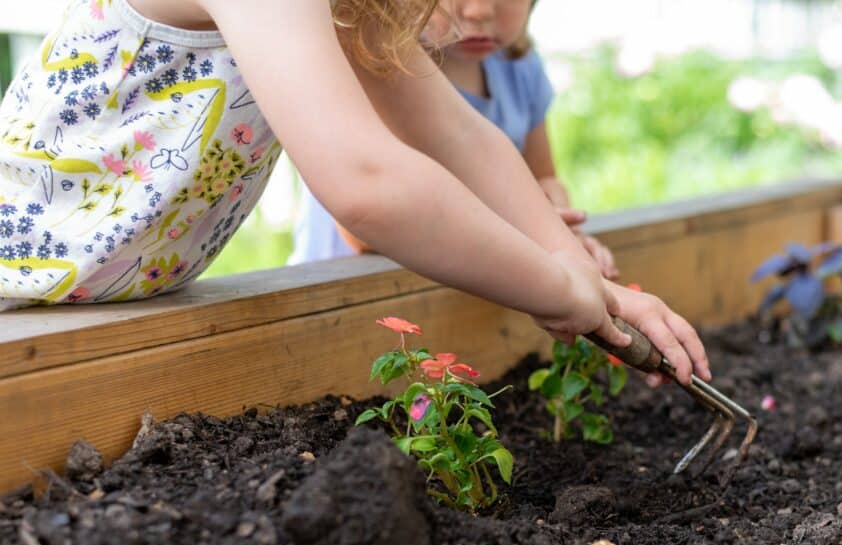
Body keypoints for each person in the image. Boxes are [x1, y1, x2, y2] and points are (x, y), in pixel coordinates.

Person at [0, 0, 709, 386]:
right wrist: (553, 288)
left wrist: (590, 280)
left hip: (80, 304)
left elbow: (461, 138)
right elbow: (368, 183)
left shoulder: (349, 6)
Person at [289, 0, 618, 279]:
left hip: (480, 283)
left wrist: (561, 235)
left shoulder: (519, 69)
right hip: (352, 291)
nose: (478, 11)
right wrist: (520, 228)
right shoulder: (376, 67)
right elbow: (363, 234)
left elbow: (543, 176)